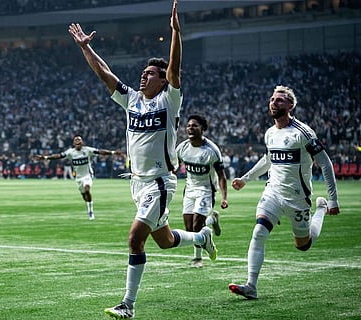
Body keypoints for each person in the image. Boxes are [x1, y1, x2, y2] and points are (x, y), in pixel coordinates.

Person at [68, 1, 217, 318]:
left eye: (150, 74)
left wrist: (176, 32)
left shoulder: (169, 100)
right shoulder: (131, 100)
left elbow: (175, 68)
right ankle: (201, 237)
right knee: (163, 240)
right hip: (137, 184)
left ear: (162, 81)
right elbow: (104, 73)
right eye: (142, 73)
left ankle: (128, 305)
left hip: (160, 183)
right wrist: (85, 49)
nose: (143, 77)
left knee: (136, 239)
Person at [229, 85, 340, 300]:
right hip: (273, 193)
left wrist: (333, 199)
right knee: (259, 232)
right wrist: (245, 179)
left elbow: (325, 164)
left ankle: (321, 209)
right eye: (272, 99)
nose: (274, 102)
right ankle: (251, 285)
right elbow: (268, 160)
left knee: (303, 245)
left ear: (290, 105)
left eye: (280, 100)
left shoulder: (303, 132)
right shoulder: (270, 133)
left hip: (297, 198)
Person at [176, 114, 229, 268]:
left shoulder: (212, 150)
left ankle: (197, 258)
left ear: (202, 129)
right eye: (188, 125)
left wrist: (224, 197)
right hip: (190, 189)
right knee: (189, 229)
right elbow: (175, 166)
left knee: (196, 225)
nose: (190, 128)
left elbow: (222, 176)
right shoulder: (183, 147)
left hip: (206, 190)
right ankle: (212, 220)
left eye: (194, 125)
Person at [36, 135, 121, 220]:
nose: (78, 145)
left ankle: (90, 210)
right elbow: (59, 156)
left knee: (87, 189)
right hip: (78, 177)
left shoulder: (87, 150)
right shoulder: (71, 152)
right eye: (76, 143)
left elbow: (100, 151)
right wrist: (46, 157)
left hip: (87, 175)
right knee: (84, 194)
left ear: (82, 143)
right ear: (74, 144)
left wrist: (112, 153)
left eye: (79, 143)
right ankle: (88, 205)